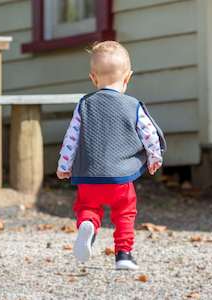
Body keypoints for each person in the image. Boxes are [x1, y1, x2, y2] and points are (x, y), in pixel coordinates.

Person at [56, 41, 166, 270]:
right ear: (127, 78)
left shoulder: (84, 104)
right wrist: (155, 158)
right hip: (120, 178)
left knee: (87, 206)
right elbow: (149, 134)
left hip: (89, 176)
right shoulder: (133, 105)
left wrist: (64, 165)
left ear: (93, 78)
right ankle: (123, 254)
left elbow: (71, 138)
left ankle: (88, 224)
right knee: (125, 211)